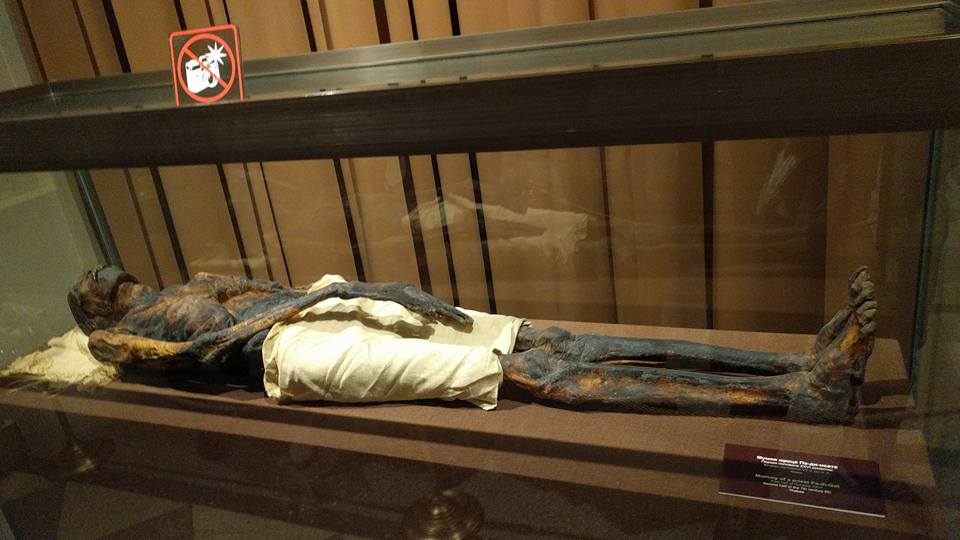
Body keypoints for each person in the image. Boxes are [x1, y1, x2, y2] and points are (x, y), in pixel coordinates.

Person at [67, 265, 876, 423]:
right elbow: (199, 358)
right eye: (93, 282)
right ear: (93, 308)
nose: (104, 274)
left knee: (556, 337)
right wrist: (330, 300)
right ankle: (796, 398)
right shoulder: (121, 337)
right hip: (298, 359)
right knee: (538, 374)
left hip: (318, 312)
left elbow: (267, 289)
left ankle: (794, 363)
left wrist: (360, 289)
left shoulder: (189, 280)